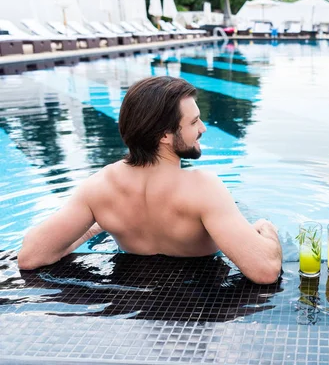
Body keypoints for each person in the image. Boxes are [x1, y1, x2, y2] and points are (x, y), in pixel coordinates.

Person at [18, 76, 282, 285]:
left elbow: (31, 257)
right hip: (200, 295)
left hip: (130, 294)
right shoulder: (203, 188)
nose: (203, 128)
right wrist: (265, 229)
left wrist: (94, 227)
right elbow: (266, 271)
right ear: (165, 135)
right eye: (194, 122)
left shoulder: (99, 187)